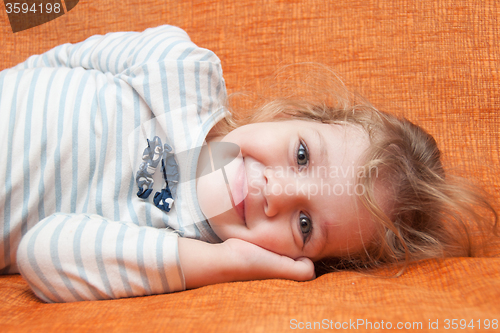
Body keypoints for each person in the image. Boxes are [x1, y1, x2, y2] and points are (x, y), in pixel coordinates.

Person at [0, 25, 496, 303]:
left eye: (304, 224)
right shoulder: (186, 71)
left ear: (292, 261)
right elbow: (73, 58)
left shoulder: (165, 244)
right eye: (301, 155)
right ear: (291, 116)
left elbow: (39, 253)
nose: (275, 191)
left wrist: (219, 263)